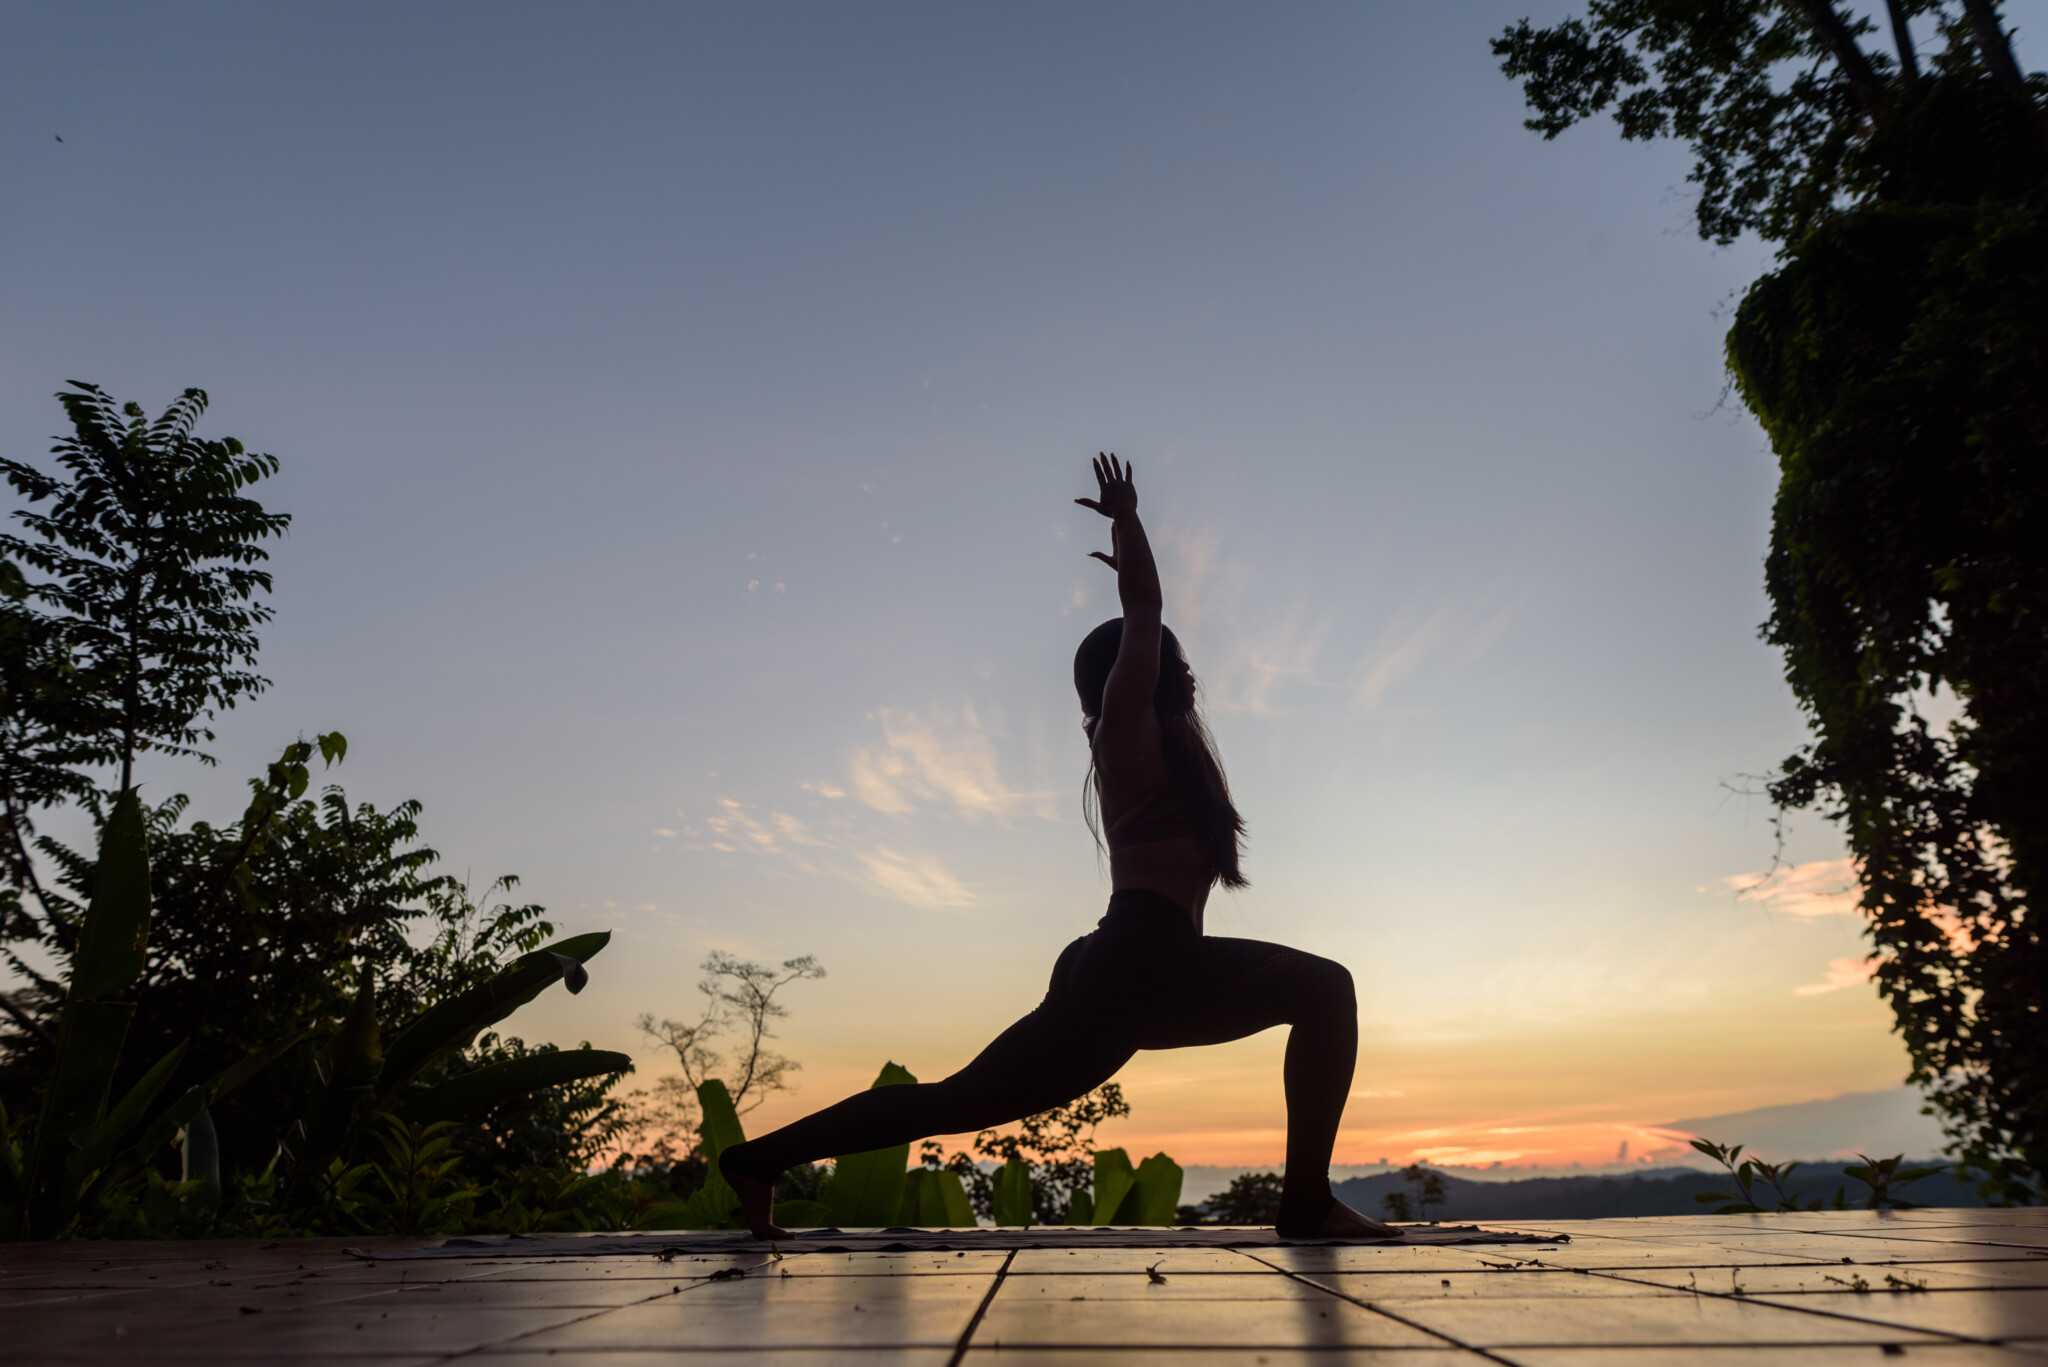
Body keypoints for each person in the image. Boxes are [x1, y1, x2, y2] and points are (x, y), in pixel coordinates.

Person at [719, 454, 1396, 1240]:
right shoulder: (1127, 732)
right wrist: (1129, 521)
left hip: (1124, 971)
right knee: (1324, 990)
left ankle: (757, 1159)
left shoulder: (1166, 750)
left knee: (953, 1102)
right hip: (1138, 960)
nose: (1175, 664)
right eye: (1161, 657)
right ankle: (1307, 1204)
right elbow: (1144, 604)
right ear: (1130, 678)